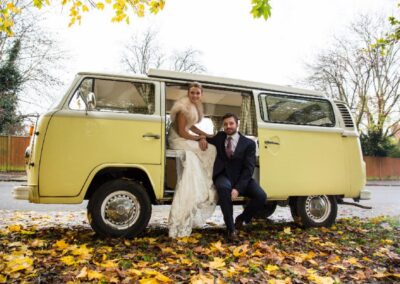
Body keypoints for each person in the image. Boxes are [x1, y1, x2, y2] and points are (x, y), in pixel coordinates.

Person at [167, 82, 217, 238]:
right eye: (192, 93)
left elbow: (192, 126)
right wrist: (199, 139)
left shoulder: (196, 106)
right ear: (188, 93)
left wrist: (206, 135)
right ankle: (207, 181)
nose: (195, 95)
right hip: (177, 139)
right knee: (210, 149)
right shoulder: (183, 107)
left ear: (201, 94)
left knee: (210, 147)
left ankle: (205, 178)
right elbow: (182, 132)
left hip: (185, 136)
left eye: (198, 93)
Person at [207, 113, 266, 240]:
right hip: (223, 175)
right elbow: (208, 139)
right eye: (226, 124)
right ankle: (231, 229)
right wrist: (201, 139)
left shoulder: (249, 143)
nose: (228, 126)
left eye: (231, 123)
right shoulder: (220, 137)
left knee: (261, 196)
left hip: (242, 178)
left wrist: (238, 188)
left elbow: (249, 168)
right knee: (223, 189)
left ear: (237, 124)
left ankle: (242, 218)